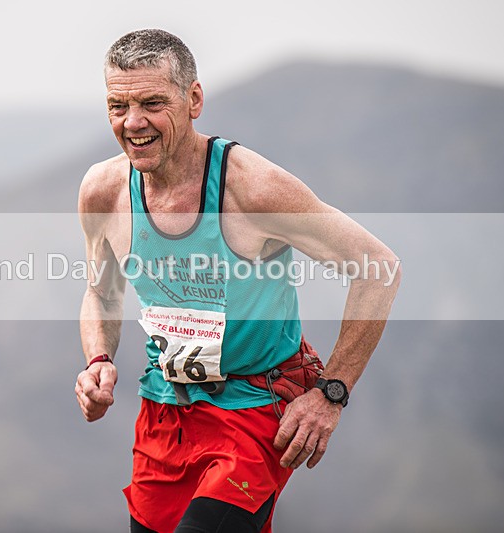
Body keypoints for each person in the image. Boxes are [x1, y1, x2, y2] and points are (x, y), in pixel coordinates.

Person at [75, 29, 400, 533]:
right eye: (118, 105)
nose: (133, 122)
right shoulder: (103, 191)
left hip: (255, 408)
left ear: (194, 99)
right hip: (165, 409)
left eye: (152, 103)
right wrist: (98, 360)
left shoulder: (253, 188)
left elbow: (379, 269)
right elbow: (100, 291)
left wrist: (331, 393)